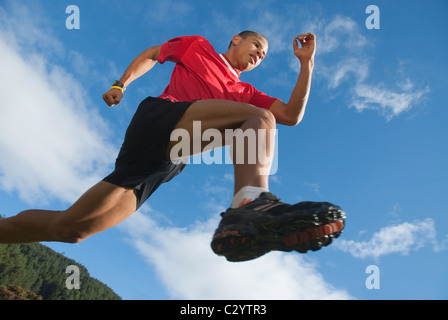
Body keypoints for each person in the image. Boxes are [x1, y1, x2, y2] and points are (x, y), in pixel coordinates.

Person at [0, 31, 345, 262]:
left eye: (265, 55)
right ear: (236, 40)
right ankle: (251, 203)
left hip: (167, 160)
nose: (260, 54)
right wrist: (120, 84)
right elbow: (153, 53)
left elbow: (292, 115)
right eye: (256, 46)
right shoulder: (199, 47)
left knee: (72, 229)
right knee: (258, 121)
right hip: (159, 120)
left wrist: (307, 63)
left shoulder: (246, 93)